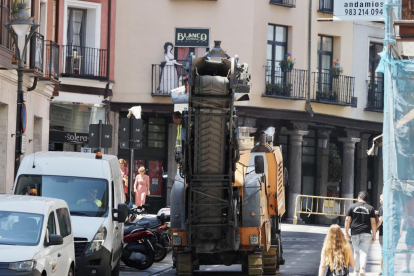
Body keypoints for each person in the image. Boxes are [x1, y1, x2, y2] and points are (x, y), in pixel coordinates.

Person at [345, 191, 377, 276]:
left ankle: (356, 271)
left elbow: (347, 220)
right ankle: (362, 269)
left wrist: (346, 231)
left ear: (359, 197)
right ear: (366, 199)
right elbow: (373, 222)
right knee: (364, 252)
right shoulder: (370, 208)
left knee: (356, 252)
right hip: (366, 232)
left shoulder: (352, 206)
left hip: (355, 232)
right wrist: (374, 235)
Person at [400, 195, 414, 273]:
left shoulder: (408, 203)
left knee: (408, 247)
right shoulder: (408, 203)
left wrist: (401, 228)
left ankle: (407, 267)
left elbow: (404, 216)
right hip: (410, 228)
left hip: (410, 228)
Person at [376, 194, 383, 276]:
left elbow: (381, 220)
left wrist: (374, 229)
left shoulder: (382, 207)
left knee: (383, 252)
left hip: (383, 232)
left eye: (380, 199)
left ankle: (381, 270)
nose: (380, 200)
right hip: (393, 232)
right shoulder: (393, 206)